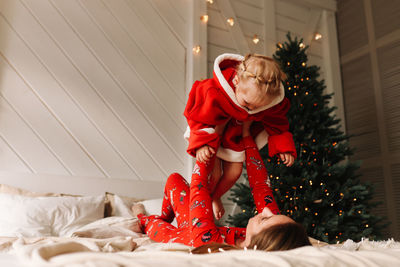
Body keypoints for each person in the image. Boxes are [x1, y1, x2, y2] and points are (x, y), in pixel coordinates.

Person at [135, 122, 310, 251]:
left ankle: (140, 215)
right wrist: (246, 135)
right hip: (196, 222)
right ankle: (165, 215)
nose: (265, 211)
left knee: (150, 222)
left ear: (252, 244)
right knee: (174, 179)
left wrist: (212, 137)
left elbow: (199, 187)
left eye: (265, 219)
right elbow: (261, 187)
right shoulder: (263, 234)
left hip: (184, 234)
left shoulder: (211, 244)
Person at [184, 53, 297, 220]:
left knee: (234, 172)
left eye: (257, 107)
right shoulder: (213, 90)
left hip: (234, 135)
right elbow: (198, 112)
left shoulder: (265, 100)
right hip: (212, 131)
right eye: (247, 103)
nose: (251, 110)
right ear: (236, 81)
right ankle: (201, 206)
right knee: (212, 173)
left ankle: (216, 196)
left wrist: (283, 147)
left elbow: (277, 122)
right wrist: (201, 143)